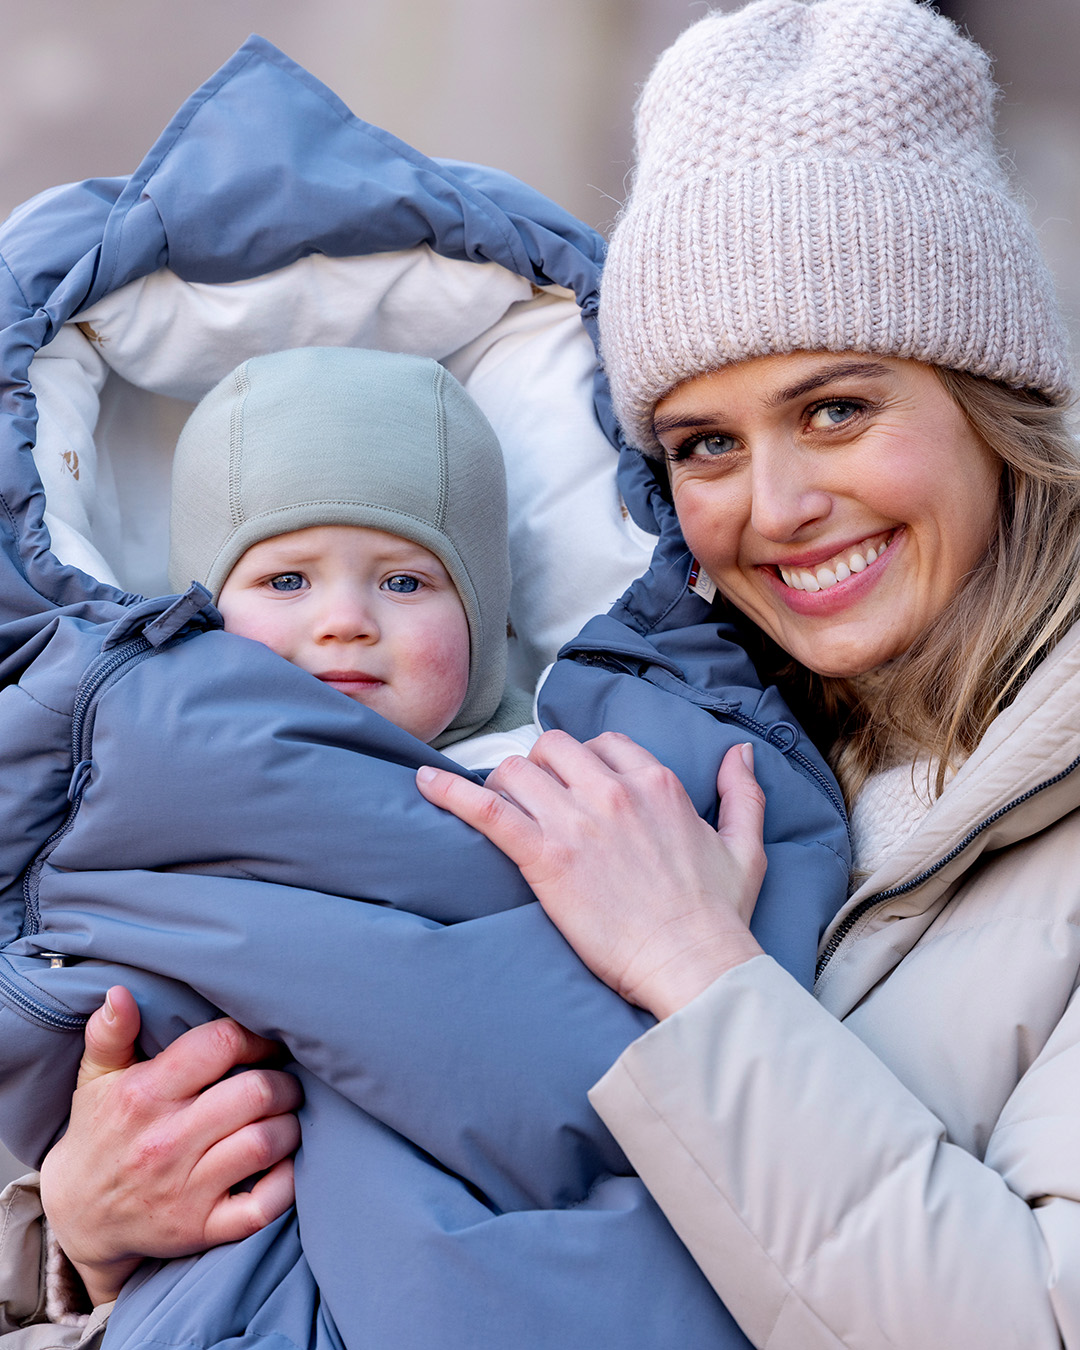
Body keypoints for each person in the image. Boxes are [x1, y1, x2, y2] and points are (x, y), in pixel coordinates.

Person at [411, 1, 1080, 1345]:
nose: (774, 509)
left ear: (991, 402)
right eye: (705, 445)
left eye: (836, 409)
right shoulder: (669, 737)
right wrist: (80, 1229)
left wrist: (697, 968)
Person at [167, 344, 535, 769]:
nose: (344, 623)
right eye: (287, 581)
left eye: (403, 583)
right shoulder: (134, 768)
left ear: (484, 619)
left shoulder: (542, 784)